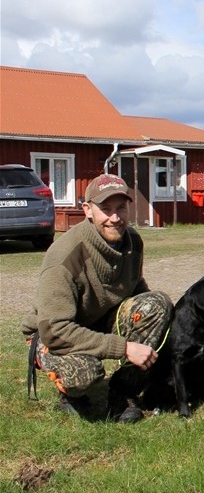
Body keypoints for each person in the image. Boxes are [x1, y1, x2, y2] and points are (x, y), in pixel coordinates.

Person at [21, 173, 173, 423]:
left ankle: (122, 394)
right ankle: (70, 395)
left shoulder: (132, 241)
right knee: (85, 373)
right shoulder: (63, 257)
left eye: (121, 208)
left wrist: (163, 332)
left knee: (157, 304)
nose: (115, 218)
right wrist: (123, 348)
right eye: (105, 209)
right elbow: (55, 330)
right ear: (88, 210)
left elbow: (137, 291)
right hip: (53, 334)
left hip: (100, 319)